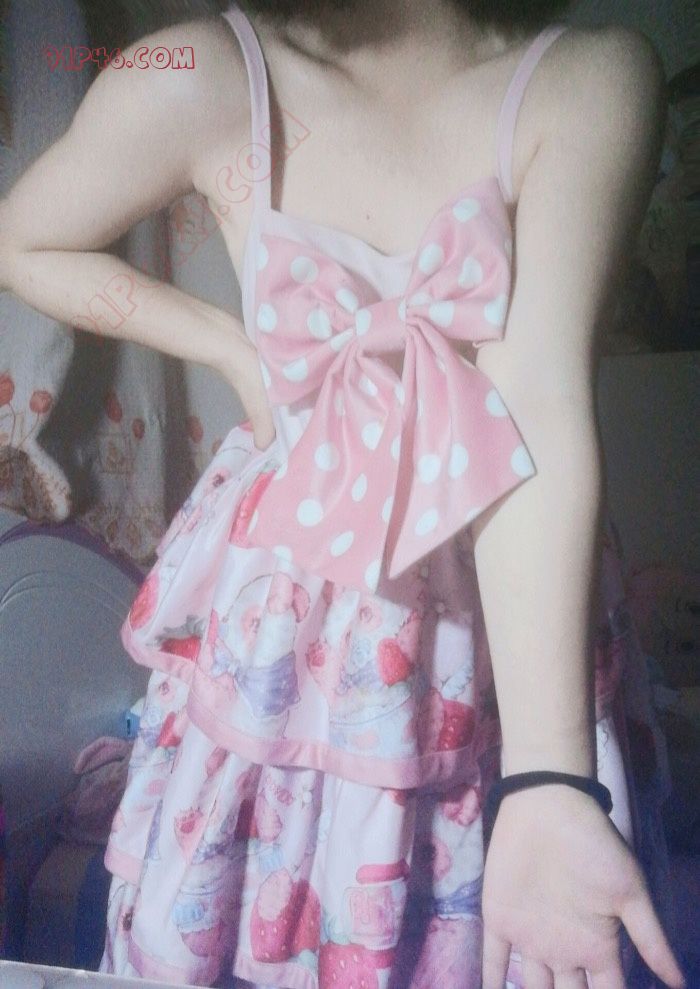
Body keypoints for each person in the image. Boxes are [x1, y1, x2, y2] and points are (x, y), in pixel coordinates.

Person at [0, 1, 686, 987]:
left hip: (509, 629)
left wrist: (547, 776)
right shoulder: (198, 72)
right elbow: (24, 239)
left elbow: (535, 406)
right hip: (290, 620)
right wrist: (229, 347)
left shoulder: (588, 79)